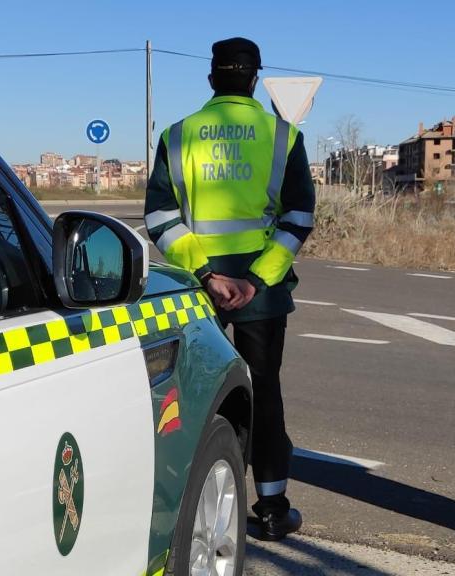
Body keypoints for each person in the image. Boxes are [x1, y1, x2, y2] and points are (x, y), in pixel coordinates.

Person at [144, 37, 315, 541]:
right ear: (255, 79)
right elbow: (298, 216)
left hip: (201, 293)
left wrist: (205, 274)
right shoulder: (282, 136)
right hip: (260, 294)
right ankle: (271, 507)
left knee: (197, 395)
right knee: (264, 393)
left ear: (212, 78)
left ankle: (189, 505)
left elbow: (159, 216)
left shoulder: (178, 136)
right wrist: (257, 278)